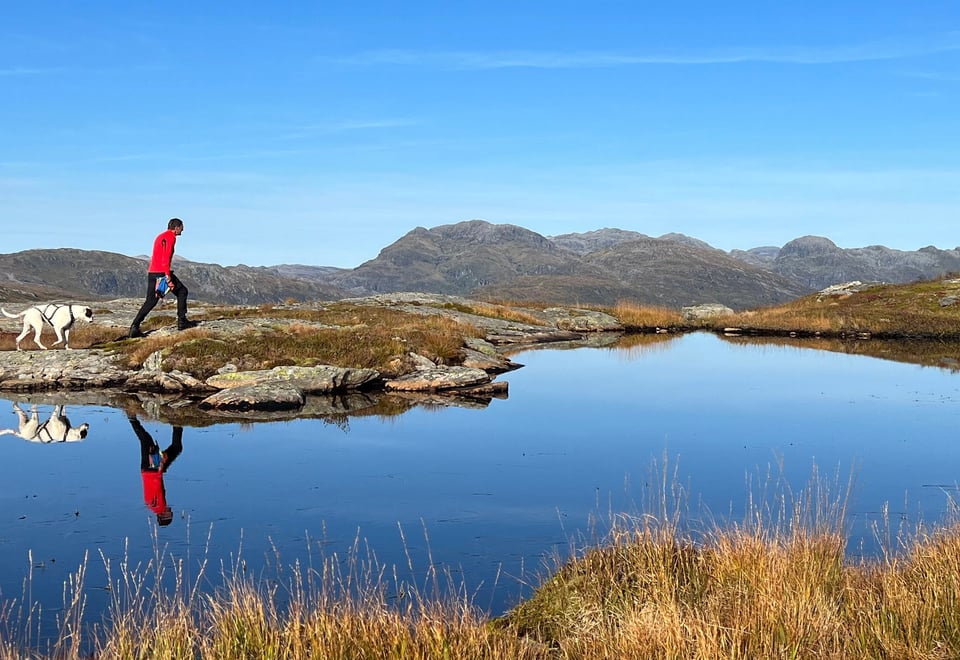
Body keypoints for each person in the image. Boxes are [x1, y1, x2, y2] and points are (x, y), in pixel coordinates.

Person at [129, 217, 198, 338]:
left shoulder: (160, 236)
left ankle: (134, 326)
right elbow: (165, 259)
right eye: (182, 227)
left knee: (150, 301)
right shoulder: (170, 238)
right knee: (182, 291)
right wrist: (168, 277)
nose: (183, 230)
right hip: (161, 273)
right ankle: (182, 321)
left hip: (152, 272)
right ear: (176, 228)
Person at [129, 415, 183, 526]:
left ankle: (131, 416)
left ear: (164, 515)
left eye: (170, 514)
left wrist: (160, 467)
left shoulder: (160, 506)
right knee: (175, 448)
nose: (171, 511)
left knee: (145, 439)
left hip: (154, 469)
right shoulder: (151, 506)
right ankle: (177, 421)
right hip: (147, 471)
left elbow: (157, 487)